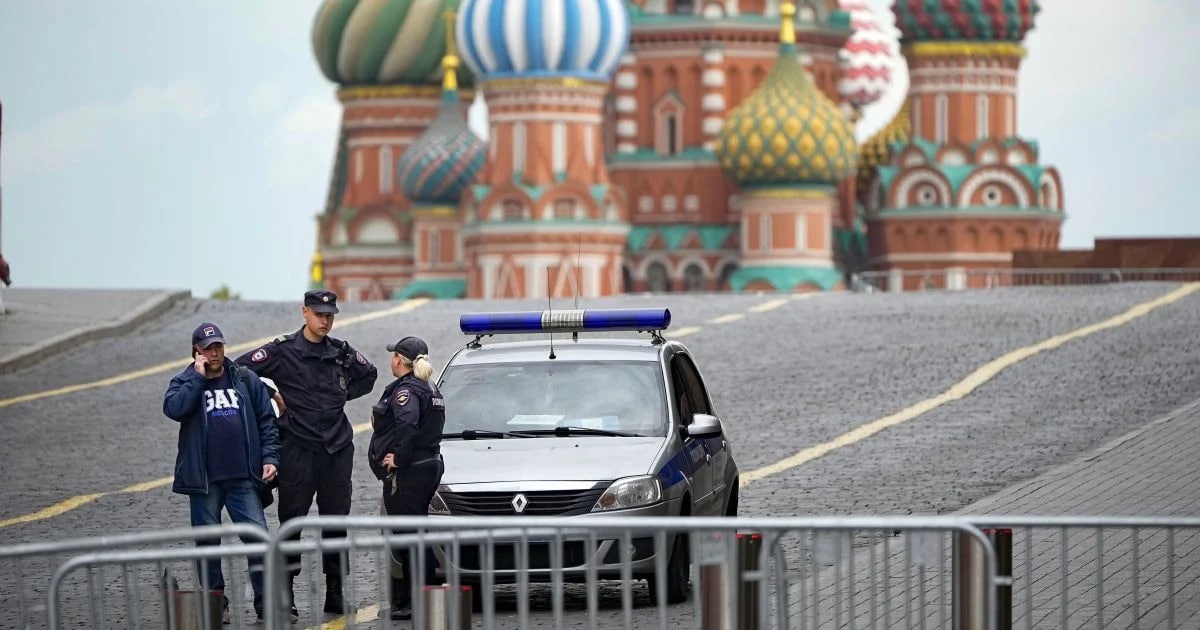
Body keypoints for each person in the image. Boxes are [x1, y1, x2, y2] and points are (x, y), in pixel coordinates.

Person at [235, 290, 378, 616]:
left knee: (335, 521)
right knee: (291, 522)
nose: (325, 320)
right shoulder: (282, 351)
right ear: (305, 313)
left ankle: (335, 592)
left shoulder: (341, 352)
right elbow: (240, 370)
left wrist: (342, 393)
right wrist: (272, 396)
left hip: (336, 448)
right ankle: (286, 596)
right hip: (297, 447)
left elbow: (368, 375)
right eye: (319, 314)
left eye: (329, 315)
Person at [162, 322, 281, 623]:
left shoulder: (244, 378)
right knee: (207, 545)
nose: (215, 353)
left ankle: (266, 604)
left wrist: (270, 458)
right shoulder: (184, 382)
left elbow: (267, 421)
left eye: (218, 347)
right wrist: (197, 379)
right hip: (204, 482)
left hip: (242, 478)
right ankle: (216, 603)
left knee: (258, 540)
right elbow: (174, 409)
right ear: (196, 352)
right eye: (208, 348)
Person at [367, 335, 446, 621]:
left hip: (410, 472)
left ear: (399, 360)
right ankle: (420, 600)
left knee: (409, 536)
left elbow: (408, 426)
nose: (392, 360)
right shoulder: (430, 387)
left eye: (394, 356)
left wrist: (397, 458)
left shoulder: (408, 391)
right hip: (429, 464)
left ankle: (415, 602)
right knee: (417, 533)